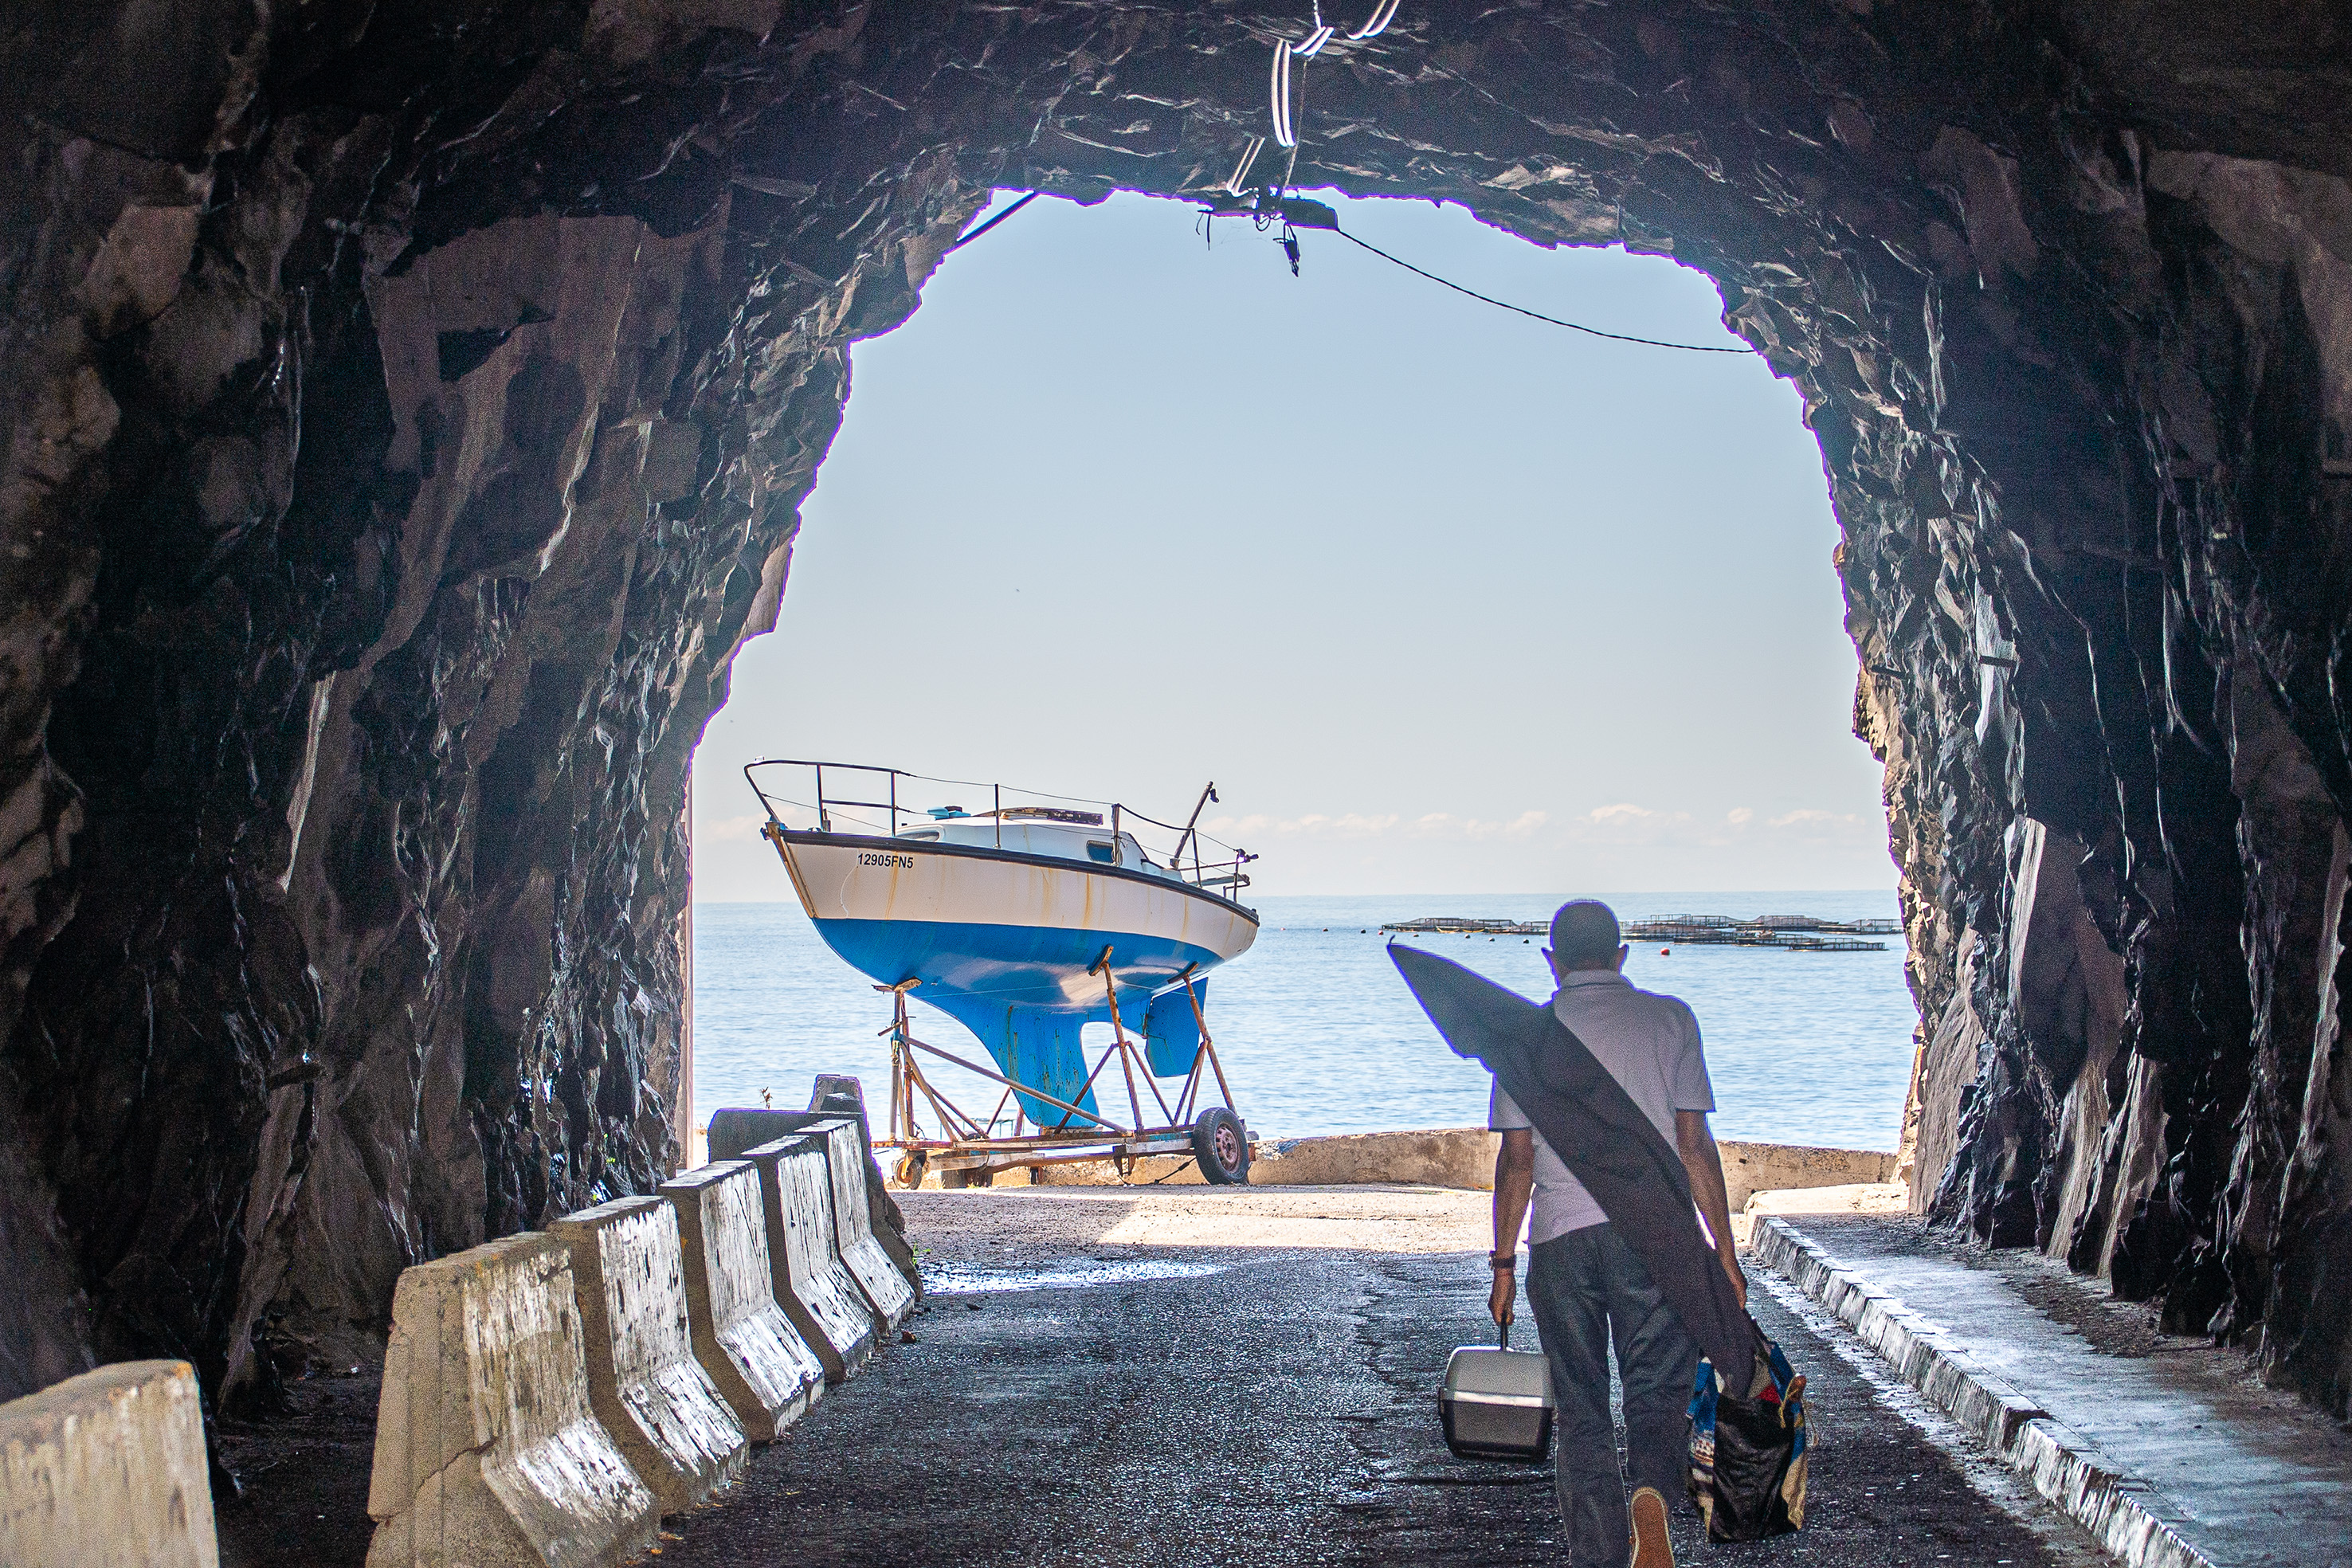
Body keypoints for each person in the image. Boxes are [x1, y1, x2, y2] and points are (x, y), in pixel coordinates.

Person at [1488, 900, 1743, 1568]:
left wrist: (1504, 1264)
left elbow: (1517, 1162)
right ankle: (1652, 1494)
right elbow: (1695, 1148)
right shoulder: (1670, 1020)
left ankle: (1596, 1557)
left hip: (1561, 1241)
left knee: (1580, 1408)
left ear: (1553, 962)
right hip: (1655, 1236)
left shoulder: (1527, 1038)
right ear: (1622, 956)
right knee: (1656, 1387)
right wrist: (1725, 1252)